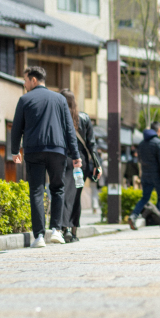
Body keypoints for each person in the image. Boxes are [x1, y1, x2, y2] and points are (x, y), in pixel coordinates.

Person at [11, 66, 81, 248]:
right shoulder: (59, 99)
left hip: (34, 150)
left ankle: (39, 236)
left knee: (36, 190)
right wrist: (75, 155)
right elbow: (69, 129)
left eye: (26, 80)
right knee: (58, 188)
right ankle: (57, 230)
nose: (25, 84)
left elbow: (17, 127)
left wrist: (14, 151)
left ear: (33, 80)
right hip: (58, 150)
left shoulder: (25, 99)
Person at [59, 89, 101, 242]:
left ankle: (65, 229)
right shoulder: (83, 118)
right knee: (76, 196)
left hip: (62, 159)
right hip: (80, 162)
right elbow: (92, 144)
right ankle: (74, 231)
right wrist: (97, 164)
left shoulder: (57, 117)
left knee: (63, 194)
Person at [128, 122, 160, 229]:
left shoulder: (142, 143)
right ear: (158, 130)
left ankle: (134, 216)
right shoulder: (159, 143)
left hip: (145, 175)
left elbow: (140, 159)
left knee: (145, 198)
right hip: (158, 176)